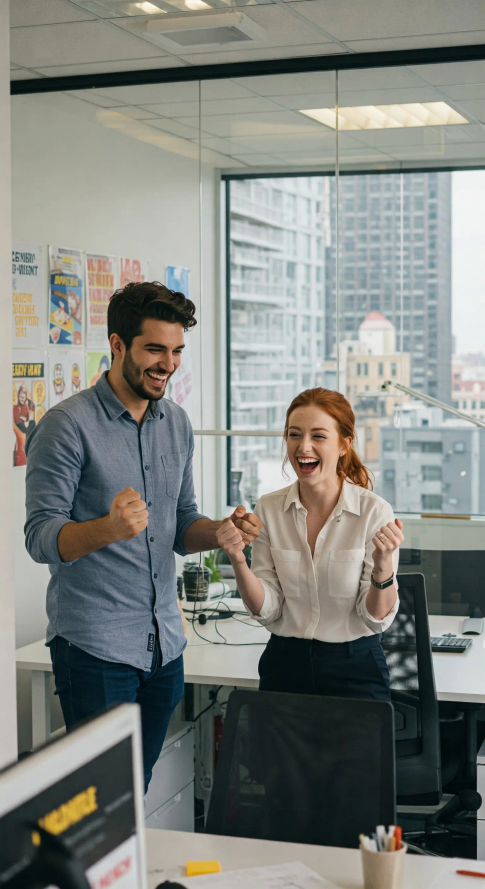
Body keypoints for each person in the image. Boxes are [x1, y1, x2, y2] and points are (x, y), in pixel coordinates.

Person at [25, 281, 262, 792]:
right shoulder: (65, 425)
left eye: (176, 351)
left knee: (136, 792)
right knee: (102, 801)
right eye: (155, 349)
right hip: (94, 649)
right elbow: (40, 537)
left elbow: (182, 523)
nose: (168, 364)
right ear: (117, 345)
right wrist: (108, 528)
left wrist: (221, 533)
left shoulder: (175, 423)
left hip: (164, 648)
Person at [217, 388, 404, 702]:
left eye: (319, 436)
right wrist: (237, 558)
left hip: (355, 668)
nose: (303, 447)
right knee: (277, 753)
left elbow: (373, 617)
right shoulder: (269, 509)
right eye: (294, 435)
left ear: (344, 444)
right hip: (285, 664)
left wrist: (384, 566)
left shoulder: (374, 511)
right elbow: (268, 609)